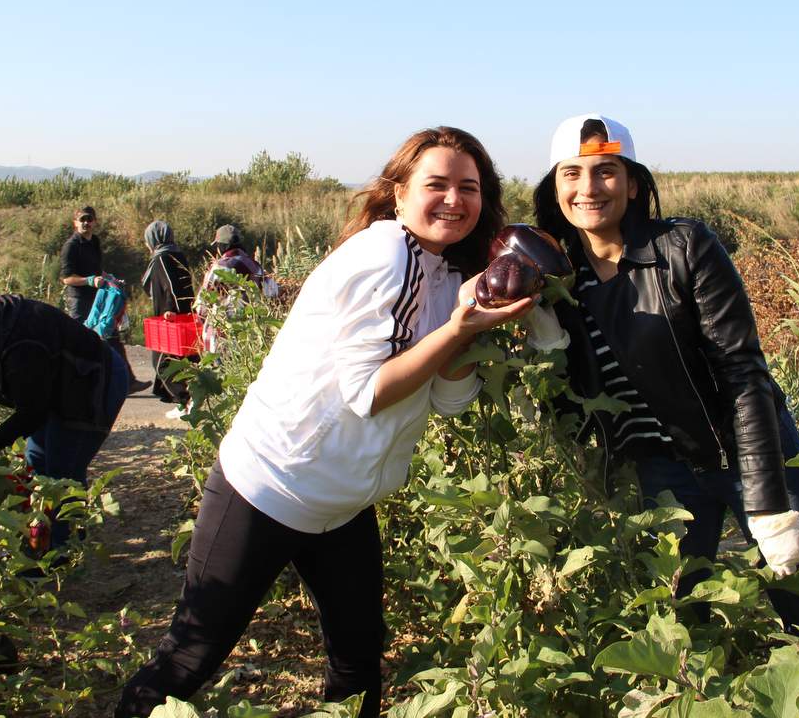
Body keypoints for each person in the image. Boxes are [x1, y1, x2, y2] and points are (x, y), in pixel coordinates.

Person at [115, 127, 532, 717]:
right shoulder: (386, 254)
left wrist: (469, 328)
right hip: (268, 485)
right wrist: (458, 330)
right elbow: (368, 393)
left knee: (359, 660)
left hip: (341, 505)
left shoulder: (442, 276)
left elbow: (447, 401)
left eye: (470, 188)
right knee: (191, 656)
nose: (454, 200)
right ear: (398, 192)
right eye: (435, 184)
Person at [533, 114, 799, 630]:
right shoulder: (558, 281)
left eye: (606, 171)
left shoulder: (684, 247)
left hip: (745, 449)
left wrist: (765, 499)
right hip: (662, 472)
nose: (588, 188)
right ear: (553, 187)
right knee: (680, 613)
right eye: (571, 174)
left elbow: (742, 371)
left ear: (632, 183)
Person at [0, 295, 128, 548]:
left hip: (92, 382)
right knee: (37, 463)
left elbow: (32, 413)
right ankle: (45, 541)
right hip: (54, 385)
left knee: (61, 475)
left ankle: (64, 551)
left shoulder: (20, 346)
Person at [59, 205, 151, 394]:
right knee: (77, 341)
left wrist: (109, 279)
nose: (86, 223)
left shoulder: (95, 242)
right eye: (82, 219)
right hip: (80, 300)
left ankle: (128, 381)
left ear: (95, 222)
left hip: (99, 299)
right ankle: (71, 383)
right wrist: (89, 281)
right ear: (75, 223)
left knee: (112, 337)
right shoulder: (71, 246)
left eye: (89, 219)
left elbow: (97, 269)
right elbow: (66, 278)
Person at [195, 224, 279, 353]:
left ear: (222, 246)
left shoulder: (218, 269)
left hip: (221, 339)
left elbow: (202, 308)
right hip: (248, 339)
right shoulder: (255, 266)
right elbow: (273, 291)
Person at [141, 220, 196, 415]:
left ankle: (186, 402)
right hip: (182, 315)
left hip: (169, 318)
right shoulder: (177, 254)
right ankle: (186, 403)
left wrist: (173, 309)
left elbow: (172, 285)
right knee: (183, 359)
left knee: (163, 362)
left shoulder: (163, 258)